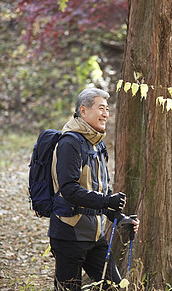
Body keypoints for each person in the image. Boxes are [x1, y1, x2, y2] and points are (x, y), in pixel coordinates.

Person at [49, 87, 139, 290]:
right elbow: (69, 190)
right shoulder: (69, 143)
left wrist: (119, 217)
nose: (106, 114)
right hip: (69, 234)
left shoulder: (98, 145)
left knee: (115, 287)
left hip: (95, 235)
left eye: (107, 109)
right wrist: (107, 201)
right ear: (83, 110)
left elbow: (98, 191)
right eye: (101, 108)